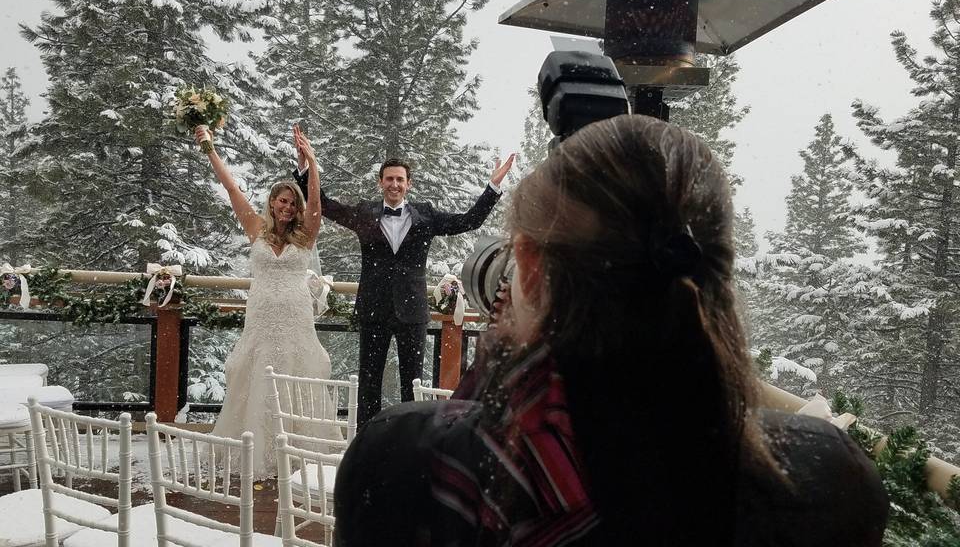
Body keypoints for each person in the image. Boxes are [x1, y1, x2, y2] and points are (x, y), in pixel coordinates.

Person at [333, 115, 889, 546]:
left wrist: (503, 349)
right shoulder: (831, 479)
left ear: (526, 266)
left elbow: (465, 224)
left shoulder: (405, 466)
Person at [292, 125, 515, 425]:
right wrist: (306, 170)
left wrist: (493, 187)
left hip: (413, 312)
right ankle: (367, 441)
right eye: (389, 179)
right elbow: (327, 206)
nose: (394, 184)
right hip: (374, 309)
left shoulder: (426, 216)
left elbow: (469, 221)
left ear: (408, 184)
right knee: (369, 384)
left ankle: (410, 445)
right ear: (380, 183)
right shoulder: (363, 213)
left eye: (399, 179)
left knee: (413, 386)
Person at [199, 126, 341, 478]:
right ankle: (255, 447)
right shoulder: (256, 229)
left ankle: (298, 450)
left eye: (292, 203)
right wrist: (210, 150)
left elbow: (318, 203)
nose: (287, 207)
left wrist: (312, 162)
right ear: (272, 203)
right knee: (258, 372)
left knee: (296, 372)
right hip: (261, 316)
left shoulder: (306, 234)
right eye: (282, 201)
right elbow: (232, 189)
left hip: (295, 316)